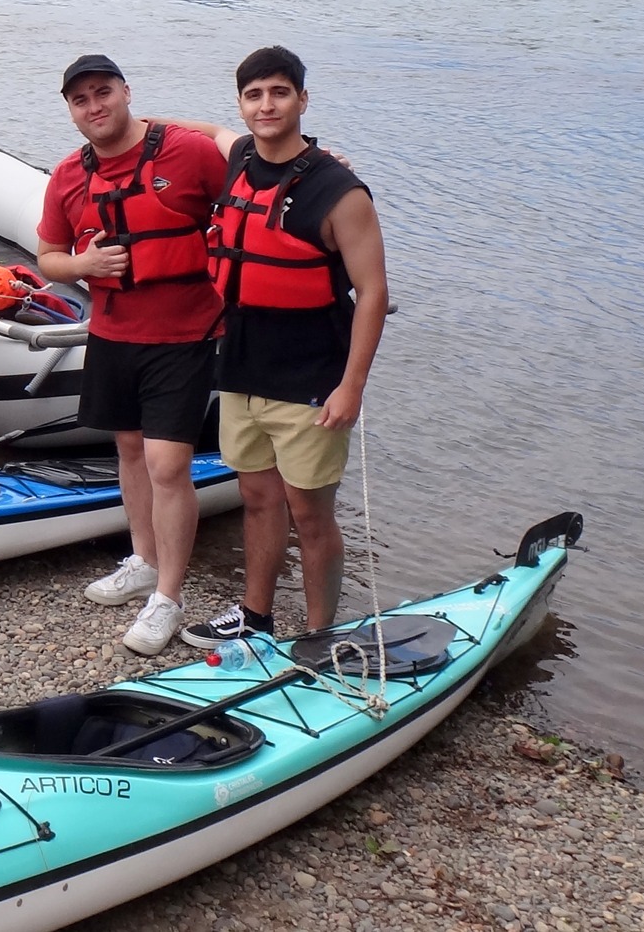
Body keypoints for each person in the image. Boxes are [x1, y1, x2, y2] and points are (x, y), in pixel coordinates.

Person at [171, 46, 389, 648]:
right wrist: (139, 125)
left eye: (279, 92)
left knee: (311, 514)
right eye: (254, 95)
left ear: (302, 100)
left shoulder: (339, 191)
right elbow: (209, 131)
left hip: (312, 378)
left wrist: (352, 387)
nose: (266, 105)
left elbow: (372, 293)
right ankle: (255, 615)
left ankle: (321, 633)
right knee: (257, 498)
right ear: (242, 104)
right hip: (242, 367)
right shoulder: (241, 155)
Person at [35, 54, 230, 655]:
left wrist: (323, 165)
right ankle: (144, 559)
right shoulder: (69, 175)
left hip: (186, 332)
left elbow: (257, 176)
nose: (94, 107)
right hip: (116, 333)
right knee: (127, 449)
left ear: (126, 93)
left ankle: (168, 597)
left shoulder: (187, 153)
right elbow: (48, 256)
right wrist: (84, 265)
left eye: (103, 93)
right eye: (81, 100)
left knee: (169, 465)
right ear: (70, 111)